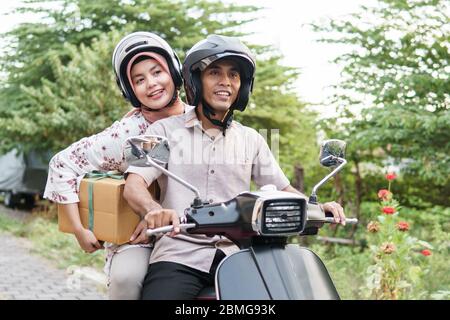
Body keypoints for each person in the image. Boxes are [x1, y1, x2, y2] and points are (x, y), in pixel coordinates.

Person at [123, 34, 347, 300]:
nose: (226, 82)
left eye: (234, 75)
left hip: (240, 255)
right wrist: (154, 210)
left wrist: (319, 209)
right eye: (214, 72)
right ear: (196, 81)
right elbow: (134, 185)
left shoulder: (251, 139)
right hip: (180, 254)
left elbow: (283, 189)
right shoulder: (162, 131)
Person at [43, 31, 190, 299]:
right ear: (129, 89)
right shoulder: (128, 134)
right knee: (127, 278)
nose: (152, 84)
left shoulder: (197, 119)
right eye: (139, 80)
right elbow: (62, 164)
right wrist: (79, 229)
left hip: (194, 230)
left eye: (157, 72)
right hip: (138, 238)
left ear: (174, 72)